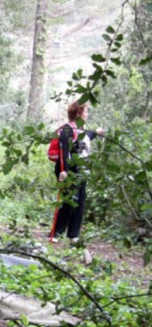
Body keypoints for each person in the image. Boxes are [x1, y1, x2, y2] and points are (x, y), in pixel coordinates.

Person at [49, 101, 104, 245]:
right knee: (68, 201)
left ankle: (74, 234)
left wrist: (96, 133)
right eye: (86, 112)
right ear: (78, 114)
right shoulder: (68, 129)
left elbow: (85, 139)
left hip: (82, 170)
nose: (87, 114)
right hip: (69, 170)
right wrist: (64, 171)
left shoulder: (82, 130)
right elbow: (64, 151)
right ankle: (56, 233)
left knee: (80, 203)